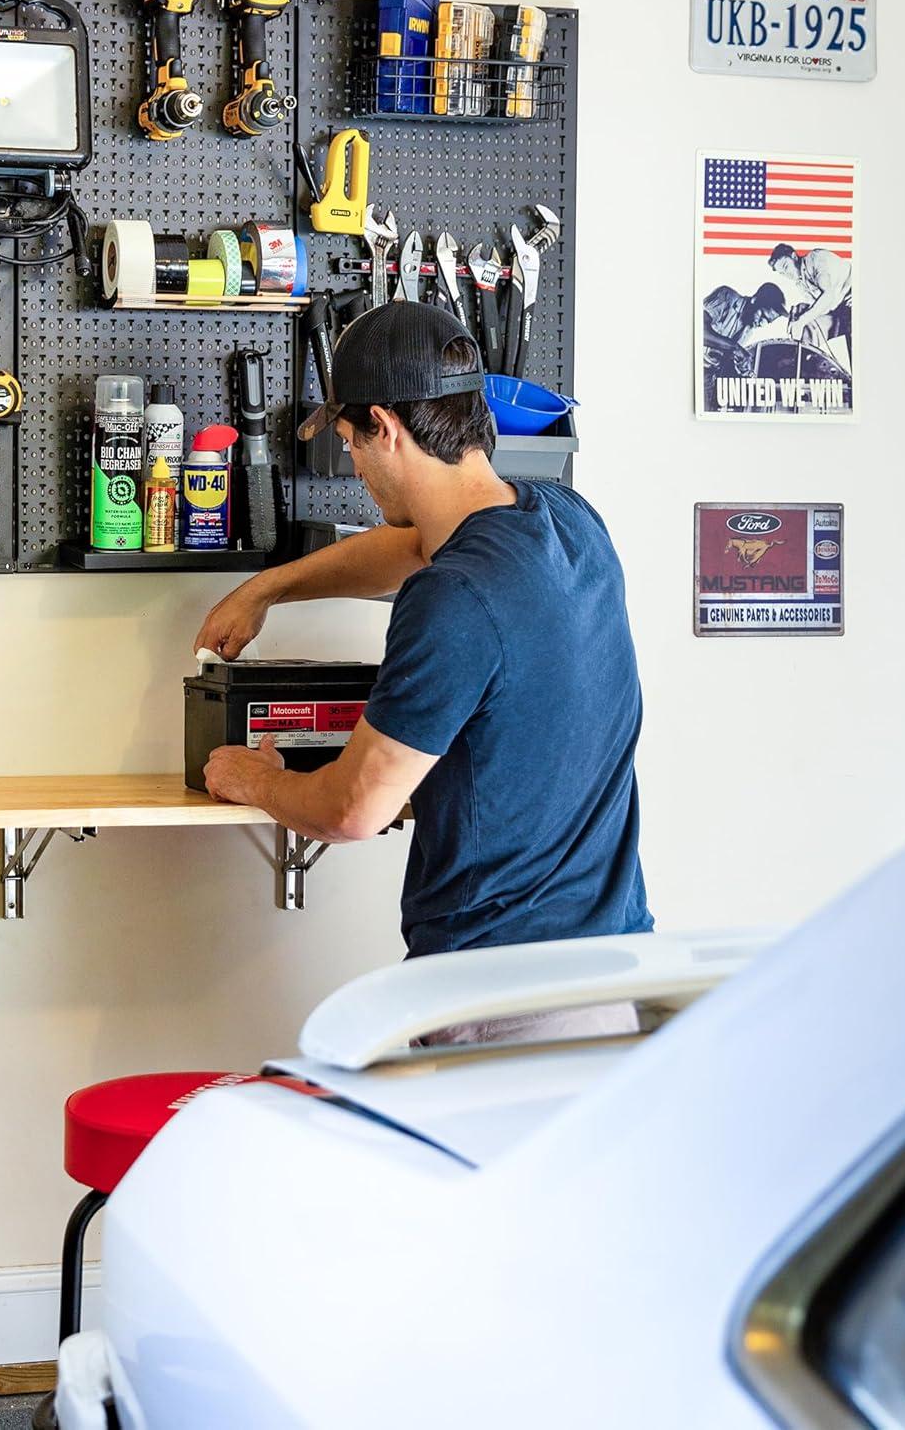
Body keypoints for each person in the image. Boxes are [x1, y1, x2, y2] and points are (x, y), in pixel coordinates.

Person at [196, 303, 650, 1041]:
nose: (353, 464)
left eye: (350, 441)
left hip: (499, 1000)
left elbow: (353, 811)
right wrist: (266, 588)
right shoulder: (569, 523)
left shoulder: (453, 598)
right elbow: (412, 547)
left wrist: (253, 778)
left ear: (387, 426)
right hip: (619, 972)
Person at [769, 243, 852, 363]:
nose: (786, 274)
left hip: (853, 296)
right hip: (838, 309)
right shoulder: (800, 283)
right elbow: (821, 308)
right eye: (782, 273)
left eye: (786, 267)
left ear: (794, 256)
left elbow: (828, 295)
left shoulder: (814, 259)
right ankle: (801, 365)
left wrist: (802, 320)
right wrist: (799, 313)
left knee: (853, 331)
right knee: (807, 326)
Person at [702, 281, 787, 378]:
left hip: (708, 376)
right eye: (763, 316)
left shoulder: (748, 331)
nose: (763, 324)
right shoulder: (727, 296)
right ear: (754, 300)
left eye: (768, 321)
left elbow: (724, 361)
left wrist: (740, 367)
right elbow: (700, 332)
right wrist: (736, 348)